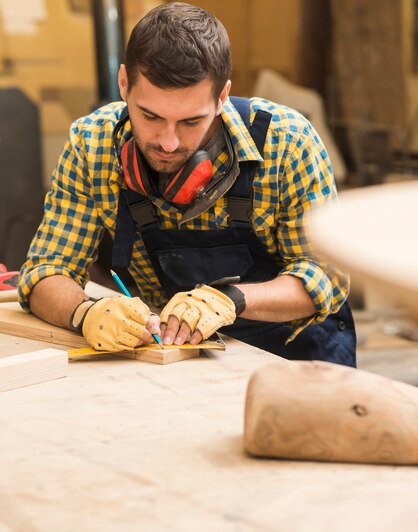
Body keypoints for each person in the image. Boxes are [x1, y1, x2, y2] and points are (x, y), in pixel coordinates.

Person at [18, 2, 356, 365]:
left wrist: (232, 299)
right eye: (150, 116)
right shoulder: (92, 145)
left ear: (222, 97)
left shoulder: (286, 142)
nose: (168, 142)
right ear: (123, 84)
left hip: (299, 358)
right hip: (187, 362)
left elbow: (325, 276)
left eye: (191, 122)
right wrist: (85, 313)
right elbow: (43, 272)